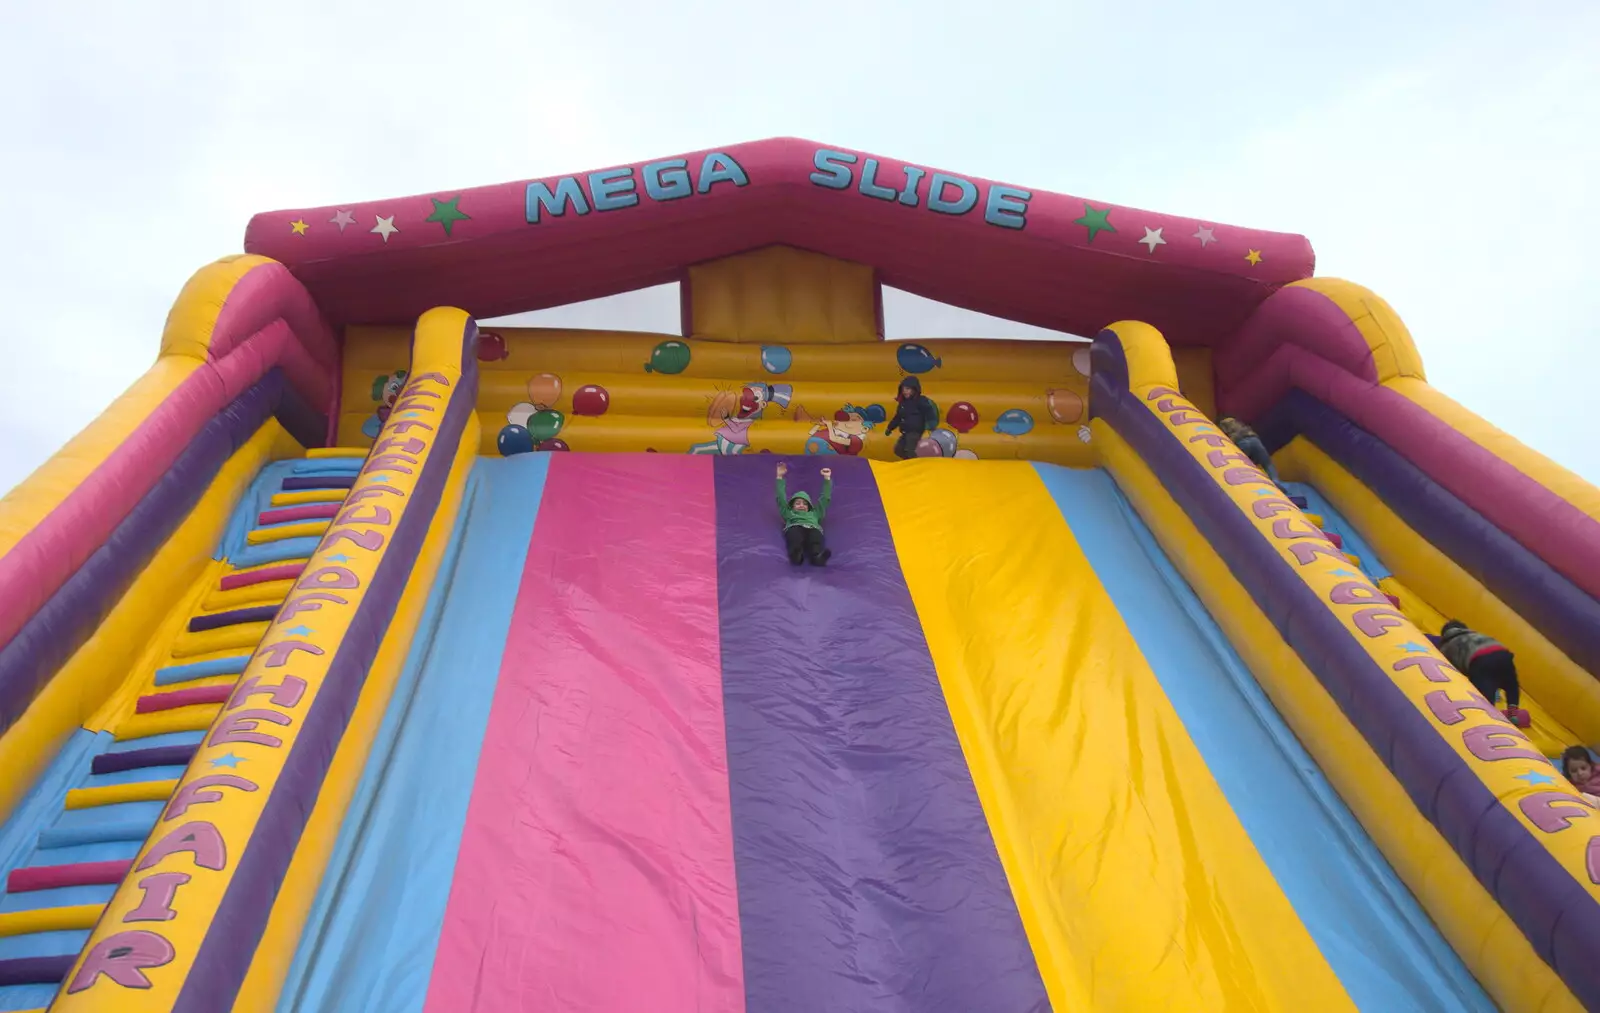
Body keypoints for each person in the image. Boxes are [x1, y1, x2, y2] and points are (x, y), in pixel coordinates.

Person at [1437, 619, 1529, 727]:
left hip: (1479, 660)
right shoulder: (1476, 634)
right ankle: (1513, 713)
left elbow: (1445, 669)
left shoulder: (1447, 646)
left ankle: (1487, 721)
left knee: (1483, 698)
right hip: (1502, 653)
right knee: (1511, 684)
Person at [776, 461, 832, 566]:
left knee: (815, 538)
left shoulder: (815, 513)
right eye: (798, 503)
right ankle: (796, 555)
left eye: (805, 503)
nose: (801, 505)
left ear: (809, 506)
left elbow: (825, 499)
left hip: (813, 527)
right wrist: (779, 477)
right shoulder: (788, 512)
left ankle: (817, 557)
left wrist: (827, 479)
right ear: (792, 506)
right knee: (794, 536)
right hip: (795, 526)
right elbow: (780, 498)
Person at [885, 376, 938, 460]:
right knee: (898, 450)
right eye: (903, 389)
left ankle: (916, 466)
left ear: (914, 389)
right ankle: (910, 463)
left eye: (907, 389)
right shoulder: (902, 404)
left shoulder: (920, 400)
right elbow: (897, 417)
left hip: (915, 431)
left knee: (910, 450)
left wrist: (931, 424)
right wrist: (890, 427)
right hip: (905, 432)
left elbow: (929, 411)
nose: (904, 391)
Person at [1218, 416, 1281, 484]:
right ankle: (1275, 480)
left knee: (1244, 464)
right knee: (1267, 463)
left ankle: (1249, 482)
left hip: (1240, 442)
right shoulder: (1240, 425)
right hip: (1254, 440)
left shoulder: (1223, 426)